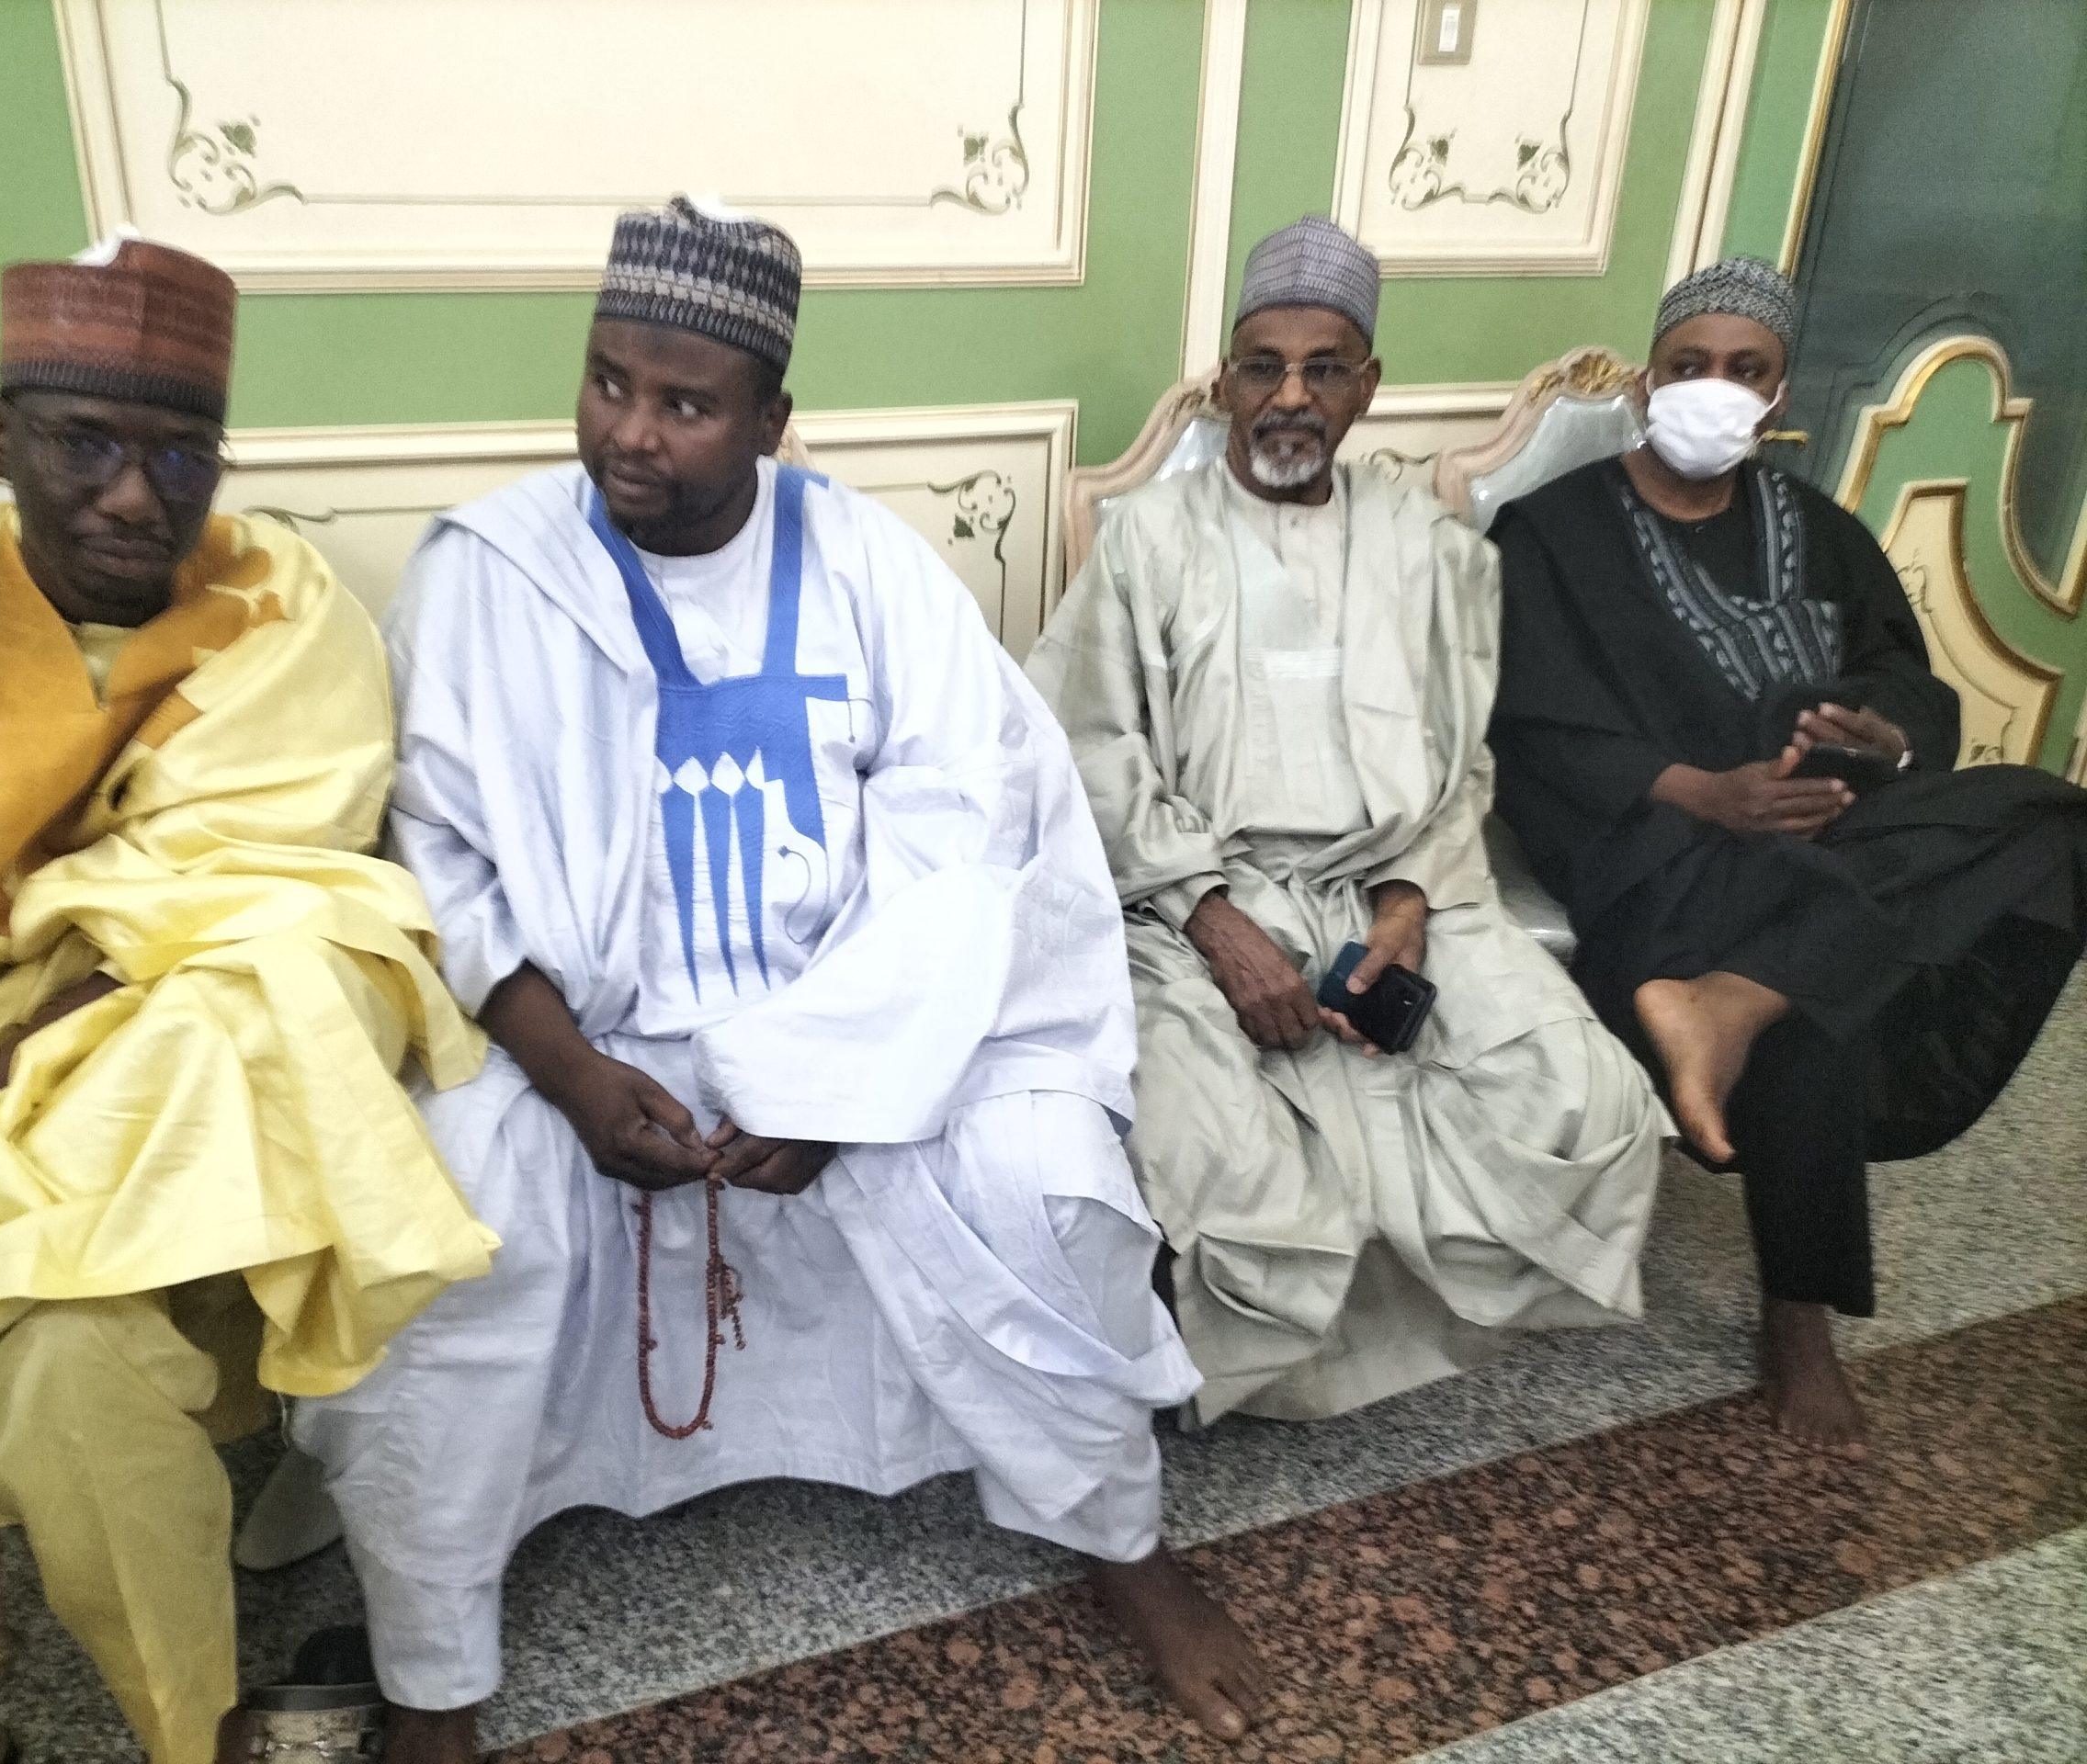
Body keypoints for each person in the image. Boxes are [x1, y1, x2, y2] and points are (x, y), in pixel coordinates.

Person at [295, 197, 1266, 1762]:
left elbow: (970, 839)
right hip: (582, 1036)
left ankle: (1123, 1545)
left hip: (868, 1023)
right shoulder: (488, 574)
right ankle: (431, 1672)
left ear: (770, 419)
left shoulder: (872, 568)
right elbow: (440, 859)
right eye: (608, 382)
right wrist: (572, 1075)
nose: (632, 433)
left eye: (685, 405)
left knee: (1041, 1184)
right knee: (445, 1232)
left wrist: (834, 1088)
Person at [0, 235, 496, 1764]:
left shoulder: (281, 605)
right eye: (86, 444)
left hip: (144, 1103)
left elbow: (218, 928)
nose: (139, 497)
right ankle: (197, 1732)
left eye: (180, 454)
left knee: (296, 957)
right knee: (60, 1361)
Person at [1026, 216, 1665, 1427]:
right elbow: (1084, 747)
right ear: (1225, 384)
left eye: (1324, 369)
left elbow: (1462, 760)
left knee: (1584, 1096)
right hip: (1186, 902)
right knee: (1234, 1163)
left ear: (1367, 387)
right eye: (1262, 367)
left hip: (1402, 888)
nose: (1290, 397)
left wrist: (1410, 908)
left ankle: (1424, 1331)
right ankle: (1257, 1369)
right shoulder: (1147, 541)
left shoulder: (1432, 549)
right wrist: (1216, 924)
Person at [1487, 256, 2087, 1452]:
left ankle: (1731, 1001)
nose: (1713, 386)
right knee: (1819, 980)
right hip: (1660, 858)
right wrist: (1707, 793)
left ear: (1778, 394)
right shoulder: (1550, 532)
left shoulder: (1816, 527)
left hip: (1835, 827)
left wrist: (1884, 733)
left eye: (1743, 369)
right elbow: (1530, 720)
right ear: (1650, 380)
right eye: (1690, 365)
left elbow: (1903, 676)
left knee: (2052, 816)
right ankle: (1798, 1318)